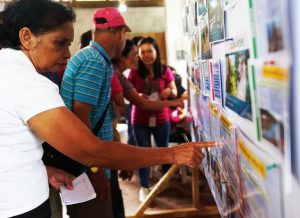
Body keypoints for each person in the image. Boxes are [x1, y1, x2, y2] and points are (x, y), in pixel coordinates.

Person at [0, 1, 216, 217]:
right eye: (60, 43)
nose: (67, 54)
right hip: (21, 206)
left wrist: (45, 171)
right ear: (26, 37)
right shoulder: (27, 81)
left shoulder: (9, 70)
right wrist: (173, 154)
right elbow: (91, 149)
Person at [128, 37, 178, 201]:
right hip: (140, 119)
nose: (146, 55)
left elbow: (175, 91)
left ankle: (164, 182)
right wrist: (136, 95)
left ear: (156, 51)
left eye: (150, 51)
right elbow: (126, 93)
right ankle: (144, 186)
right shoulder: (134, 71)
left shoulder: (165, 70)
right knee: (143, 153)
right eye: (142, 52)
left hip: (161, 117)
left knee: (163, 151)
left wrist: (169, 92)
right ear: (138, 54)